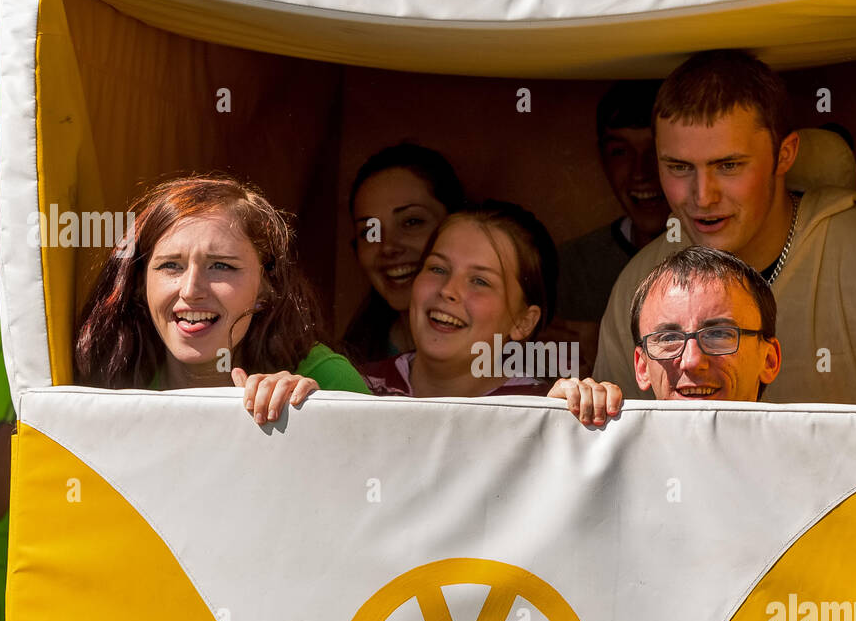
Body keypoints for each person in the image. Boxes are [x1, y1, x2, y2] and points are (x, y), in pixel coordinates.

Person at [592, 49, 856, 404]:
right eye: (679, 167)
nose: (703, 196)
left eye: (728, 165)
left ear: (785, 155)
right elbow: (621, 445)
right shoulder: (642, 283)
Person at [76, 172, 369, 424]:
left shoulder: (327, 383)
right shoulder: (109, 383)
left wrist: (316, 417)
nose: (191, 290)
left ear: (267, 286)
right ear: (140, 284)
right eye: (171, 266)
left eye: (221, 266)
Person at [549, 246, 779, 423]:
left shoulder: (809, 467)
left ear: (769, 360)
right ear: (641, 367)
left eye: (718, 334)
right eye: (669, 339)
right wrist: (552, 427)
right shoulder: (612, 458)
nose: (691, 361)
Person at [364, 201, 562, 398]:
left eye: (480, 281)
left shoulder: (541, 414)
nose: (448, 290)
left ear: (523, 322)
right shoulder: (356, 388)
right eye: (437, 268)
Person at [554, 81, 670, 372]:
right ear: (602, 159)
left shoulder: (721, 256)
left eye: (656, 151)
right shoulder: (571, 266)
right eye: (621, 151)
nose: (641, 172)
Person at [341, 143, 464, 364]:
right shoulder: (350, 363)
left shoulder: (523, 364)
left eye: (412, 222)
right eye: (370, 232)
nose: (388, 247)